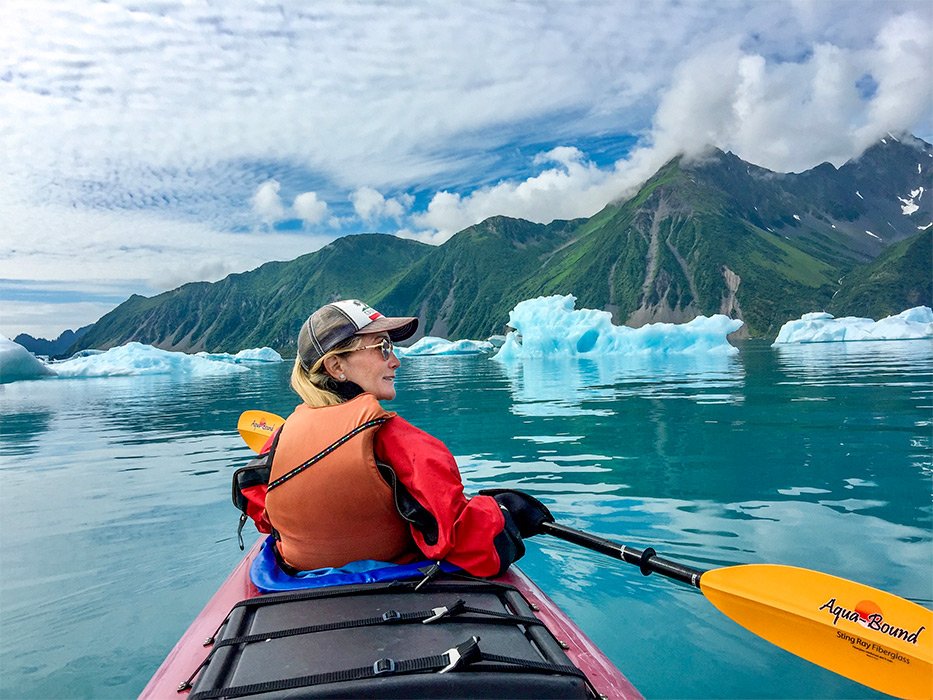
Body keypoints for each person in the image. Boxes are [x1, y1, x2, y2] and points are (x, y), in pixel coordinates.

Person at [263, 299, 553, 577]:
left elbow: (261, 511)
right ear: (337, 366)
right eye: (383, 347)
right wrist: (503, 514)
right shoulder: (400, 443)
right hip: (391, 587)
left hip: (300, 583)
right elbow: (472, 545)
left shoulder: (278, 442)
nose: (396, 361)